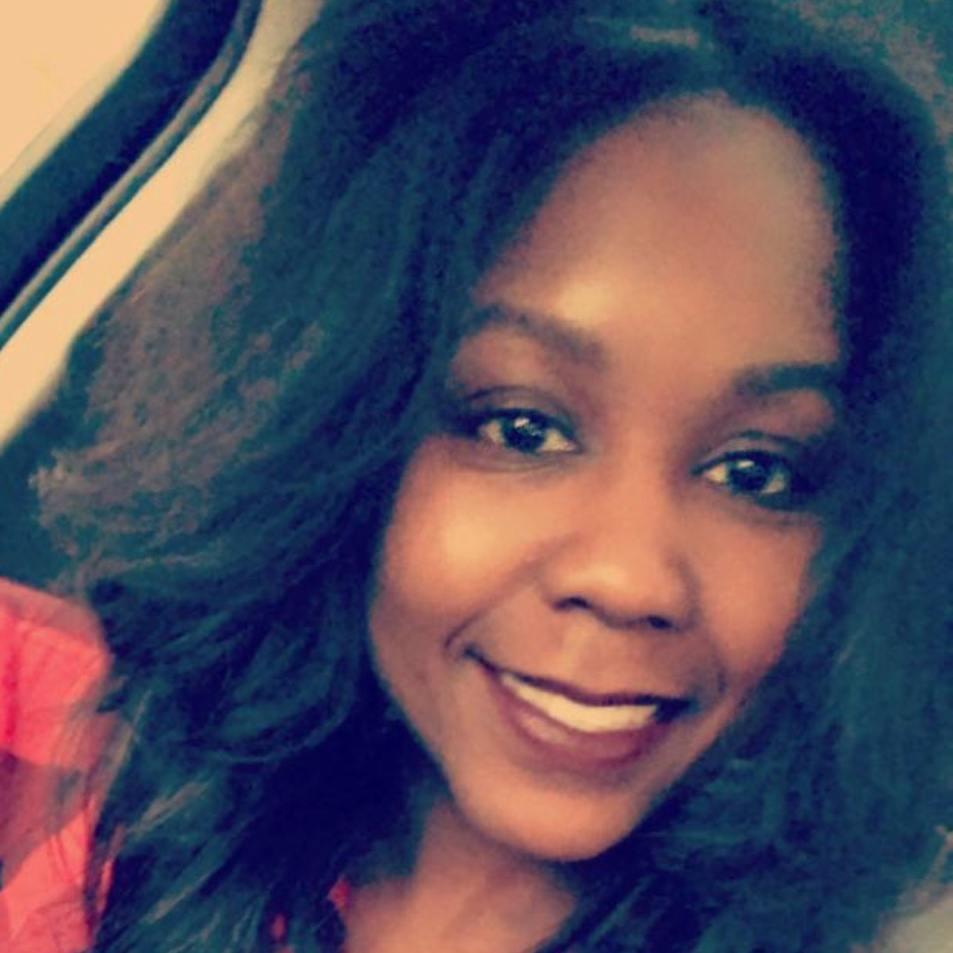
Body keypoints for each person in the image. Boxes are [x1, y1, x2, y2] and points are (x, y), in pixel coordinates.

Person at [3, 1, 950, 950]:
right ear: (333, 435)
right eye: (523, 428)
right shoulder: (139, 780)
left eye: (755, 472)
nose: (630, 580)